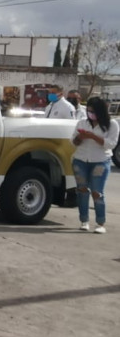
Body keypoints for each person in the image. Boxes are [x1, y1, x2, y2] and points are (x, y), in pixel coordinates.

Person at [71, 96, 119, 234]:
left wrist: (93, 137)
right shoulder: (82, 123)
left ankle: (100, 222)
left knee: (97, 192)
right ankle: (84, 220)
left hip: (100, 161)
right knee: (82, 190)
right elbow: (72, 141)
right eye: (89, 111)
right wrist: (80, 137)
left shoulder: (112, 124)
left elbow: (110, 144)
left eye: (93, 111)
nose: (91, 114)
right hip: (80, 160)